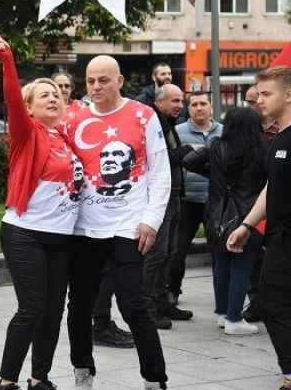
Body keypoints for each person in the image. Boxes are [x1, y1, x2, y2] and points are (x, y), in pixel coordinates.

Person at [64, 55, 169, 390]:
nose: (96, 86)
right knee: (79, 306)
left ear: (120, 81)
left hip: (128, 226)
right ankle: (83, 370)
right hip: (84, 229)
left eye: (104, 80)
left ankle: (154, 378)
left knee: (133, 304)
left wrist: (151, 221)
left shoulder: (143, 114)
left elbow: (161, 172)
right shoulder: (74, 117)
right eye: (90, 80)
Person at [0, 38, 80, 390]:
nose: (53, 97)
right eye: (44, 94)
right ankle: (6, 380)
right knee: (31, 308)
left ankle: (39, 378)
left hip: (62, 239)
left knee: (53, 311)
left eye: (56, 93)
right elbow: (12, 97)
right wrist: (7, 61)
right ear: (28, 108)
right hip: (25, 233)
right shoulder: (27, 133)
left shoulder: (66, 139)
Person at [227, 66, 291, 390]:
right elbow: (271, 186)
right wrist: (247, 225)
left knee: (273, 302)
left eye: (267, 94)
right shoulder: (278, 138)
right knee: (271, 302)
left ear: (288, 95)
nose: (259, 99)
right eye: (258, 94)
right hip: (278, 237)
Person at [183, 107, 267, 335]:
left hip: (217, 214)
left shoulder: (216, 145)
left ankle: (222, 313)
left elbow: (189, 160)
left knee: (221, 265)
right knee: (242, 267)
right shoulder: (262, 150)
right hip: (249, 216)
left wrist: (213, 174)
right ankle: (234, 319)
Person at [144, 84, 195, 329]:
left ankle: (162, 303)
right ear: (160, 100)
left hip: (174, 195)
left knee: (170, 253)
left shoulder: (167, 122)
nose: (180, 106)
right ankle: (147, 309)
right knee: (156, 255)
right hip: (160, 198)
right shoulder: (152, 121)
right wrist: (185, 152)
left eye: (181, 101)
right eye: (175, 101)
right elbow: (157, 159)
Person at [169, 92, 222, 305]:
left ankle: (222, 294)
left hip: (216, 201)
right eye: (194, 104)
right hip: (187, 201)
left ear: (211, 106)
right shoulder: (178, 132)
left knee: (219, 251)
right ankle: (172, 291)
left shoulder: (224, 132)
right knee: (177, 250)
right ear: (188, 109)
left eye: (203, 104)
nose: (199, 108)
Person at [242, 84, 279, 322]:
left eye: (257, 99)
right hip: (250, 202)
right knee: (253, 258)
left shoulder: (281, 130)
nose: (254, 105)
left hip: (277, 203)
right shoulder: (244, 131)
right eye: (249, 101)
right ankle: (256, 302)